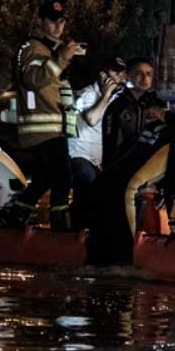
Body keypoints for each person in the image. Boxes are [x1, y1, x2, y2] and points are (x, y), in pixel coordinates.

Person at [88, 100, 175, 264]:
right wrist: (174, 221)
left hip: (102, 183)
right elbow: (172, 178)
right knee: (124, 254)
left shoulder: (162, 126)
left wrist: (160, 189)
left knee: (97, 249)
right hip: (123, 192)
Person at [0, 0, 84, 231]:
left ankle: (15, 216)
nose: (59, 27)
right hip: (43, 128)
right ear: (40, 22)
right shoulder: (32, 47)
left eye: (62, 22)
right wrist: (62, 59)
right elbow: (32, 79)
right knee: (63, 177)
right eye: (53, 21)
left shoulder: (48, 49)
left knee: (46, 177)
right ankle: (60, 229)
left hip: (53, 126)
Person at [68, 57, 127, 227]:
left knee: (89, 197)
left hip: (98, 161)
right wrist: (107, 95)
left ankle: (78, 229)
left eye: (122, 73)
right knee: (94, 188)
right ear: (102, 74)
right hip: (78, 157)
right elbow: (91, 119)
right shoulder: (88, 94)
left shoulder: (114, 99)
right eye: (115, 71)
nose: (119, 77)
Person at [101, 57, 156, 169]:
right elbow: (110, 147)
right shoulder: (117, 106)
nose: (145, 78)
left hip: (148, 172)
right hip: (122, 170)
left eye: (149, 74)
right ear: (127, 76)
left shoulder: (155, 105)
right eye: (139, 74)